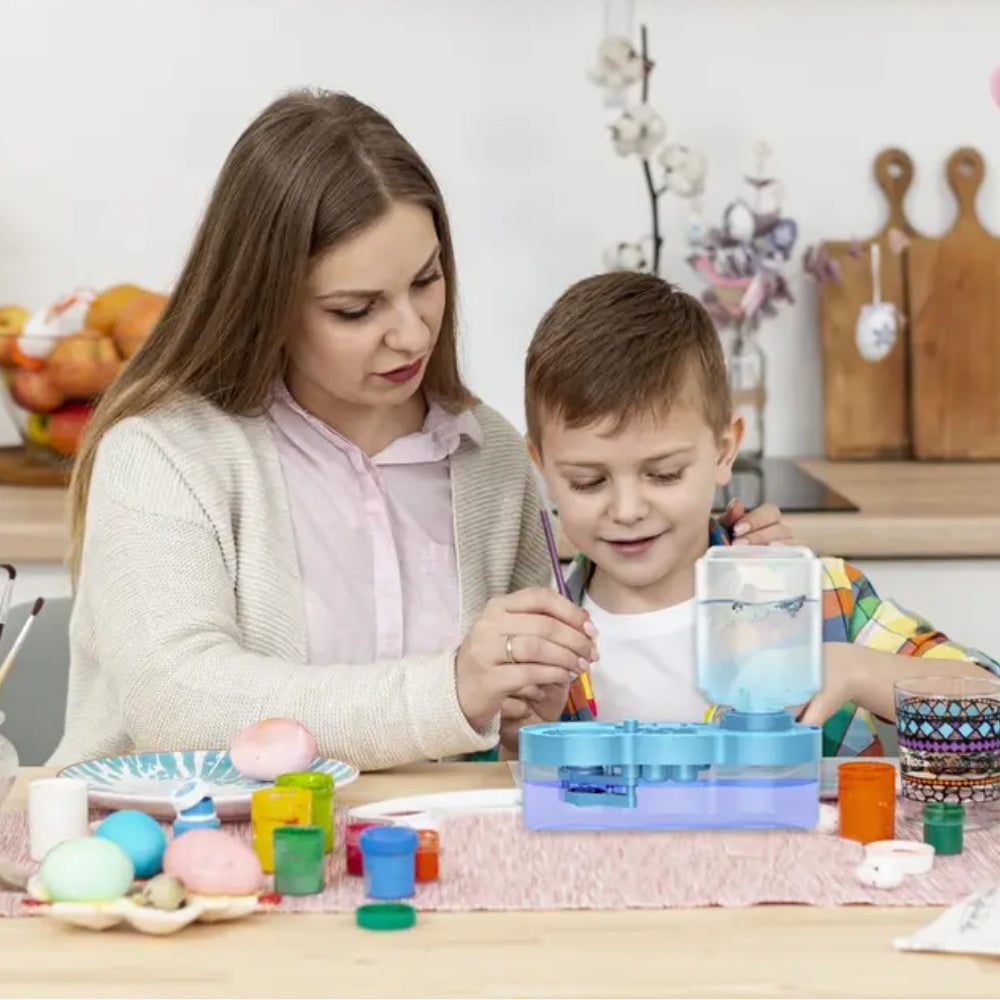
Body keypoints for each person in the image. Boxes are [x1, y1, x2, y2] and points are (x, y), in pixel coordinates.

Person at [48, 89, 791, 771]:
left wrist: (724, 561)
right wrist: (451, 693)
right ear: (265, 303)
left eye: (426, 280)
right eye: (355, 309)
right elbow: (176, 705)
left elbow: (551, 701)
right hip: (175, 870)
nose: (410, 334)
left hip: (432, 867)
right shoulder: (163, 455)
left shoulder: (489, 454)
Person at [517, 270, 1000, 757]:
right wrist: (516, 739)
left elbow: (990, 704)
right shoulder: (537, 639)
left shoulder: (821, 600)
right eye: (588, 481)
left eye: (664, 474)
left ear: (725, 451)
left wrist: (854, 669)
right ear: (542, 468)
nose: (626, 511)